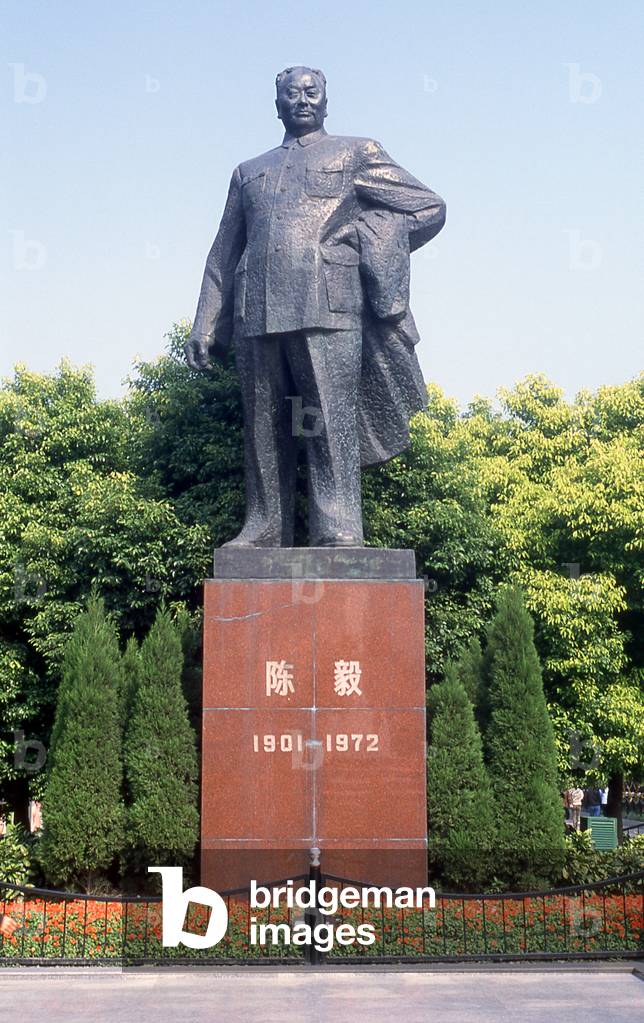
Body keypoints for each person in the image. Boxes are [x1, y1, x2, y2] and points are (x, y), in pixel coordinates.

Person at [185, 65, 446, 548]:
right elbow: (223, 251)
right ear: (277, 105)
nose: (302, 100)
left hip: (329, 305)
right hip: (256, 310)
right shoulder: (249, 172)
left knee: (327, 417)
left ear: (326, 101)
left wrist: (366, 236)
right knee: (263, 426)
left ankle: (338, 525)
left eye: (312, 92)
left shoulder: (356, 152)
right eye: (292, 93)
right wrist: (205, 324)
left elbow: (427, 207)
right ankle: (264, 526)